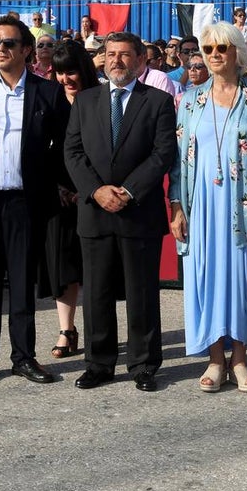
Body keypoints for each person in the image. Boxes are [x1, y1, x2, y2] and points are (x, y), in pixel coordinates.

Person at [169, 21, 247, 393]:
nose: (215, 55)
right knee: (205, 278)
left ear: (237, 51)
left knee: (238, 280)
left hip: (244, 205)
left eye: (223, 48)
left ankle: (238, 359)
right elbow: (178, 160)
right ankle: (214, 359)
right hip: (201, 204)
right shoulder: (190, 99)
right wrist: (177, 206)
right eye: (208, 49)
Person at [0, 15, 69, 387]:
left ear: (25, 50)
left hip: (26, 203)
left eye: (8, 43)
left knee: (22, 285)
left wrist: (44, 178)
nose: (0, 49)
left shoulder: (47, 92)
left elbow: (62, 144)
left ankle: (23, 356)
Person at [63, 31, 177, 393]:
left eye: (125, 55)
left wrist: (127, 191)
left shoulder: (157, 101)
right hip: (95, 211)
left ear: (140, 60)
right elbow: (72, 152)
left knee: (142, 292)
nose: (116, 60)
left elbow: (163, 153)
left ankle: (143, 364)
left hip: (138, 211)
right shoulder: (85, 101)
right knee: (96, 292)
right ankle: (99, 363)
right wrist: (96, 191)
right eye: (111, 54)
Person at [39, 41, 96, 360]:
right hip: (58, 195)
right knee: (63, 266)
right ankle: (66, 330)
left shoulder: (101, 98)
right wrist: (57, 187)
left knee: (96, 266)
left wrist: (89, 189)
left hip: (95, 193)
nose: (65, 79)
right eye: (59, 73)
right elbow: (39, 149)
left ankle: (99, 331)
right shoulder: (50, 101)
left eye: (70, 72)